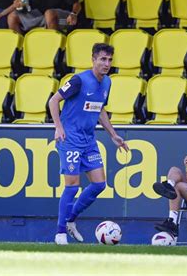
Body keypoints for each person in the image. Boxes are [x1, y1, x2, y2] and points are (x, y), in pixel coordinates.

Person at [48, 43, 129, 245]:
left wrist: (113, 134)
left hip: (89, 139)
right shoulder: (78, 80)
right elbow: (53, 101)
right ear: (93, 59)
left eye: (110, 60)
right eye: (102, 59)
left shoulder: (107, 82)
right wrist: (58, 127)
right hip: (70, 139)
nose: (107, 63)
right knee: (73, 185)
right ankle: (60, 233)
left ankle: (71, 220)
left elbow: (100, 110)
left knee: (99, 184)